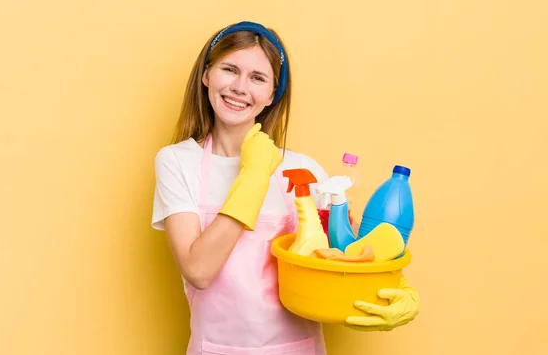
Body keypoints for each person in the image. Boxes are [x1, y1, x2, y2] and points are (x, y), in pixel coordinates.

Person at [151, 21, 420, 355]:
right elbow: (199, 270)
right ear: (206, 75)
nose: (239, 87)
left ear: (271, 94)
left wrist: (398, 288)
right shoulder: (177, 161)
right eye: (229, 69)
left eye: (257, 78)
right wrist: (254, 175)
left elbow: (349, 257)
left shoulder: (304, 169)